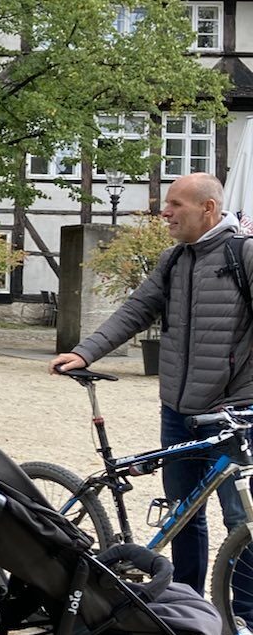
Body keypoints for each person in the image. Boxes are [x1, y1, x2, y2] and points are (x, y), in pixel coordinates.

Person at [51, 172, 253, 594]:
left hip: (233, 414)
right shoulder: (175, 259)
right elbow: (136, 310)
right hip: (178, 411)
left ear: (208, 209)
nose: (165, 212)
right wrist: (86, 351)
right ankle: (187, 603)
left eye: (176, 204)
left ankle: (246, 620)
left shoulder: (244, 255)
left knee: (243, 521)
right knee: (183, 513)